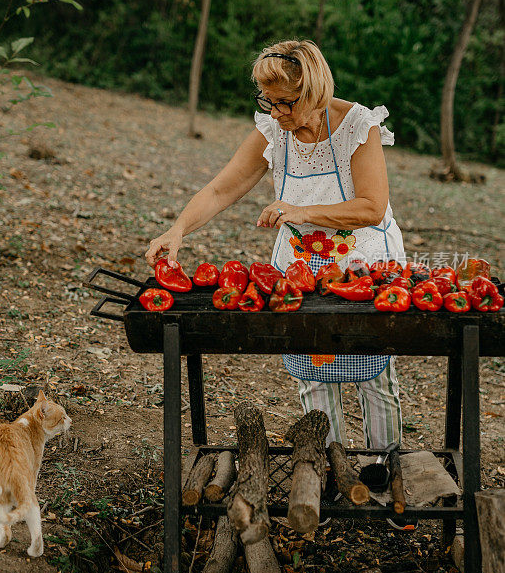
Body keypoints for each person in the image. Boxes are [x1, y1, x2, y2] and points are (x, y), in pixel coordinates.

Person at [145, 38, 407, 459]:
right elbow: (220, 189)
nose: (277, 113)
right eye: (269, 102)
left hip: (362, 264)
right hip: (300, 269)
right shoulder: (273, 131)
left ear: (315, 92)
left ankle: (385, 467)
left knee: (373, 375)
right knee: (315, 373)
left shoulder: (358, 126)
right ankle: (330, 468)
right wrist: (178, 230)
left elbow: (372, 207)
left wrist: (300, 210)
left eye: (287, 102)